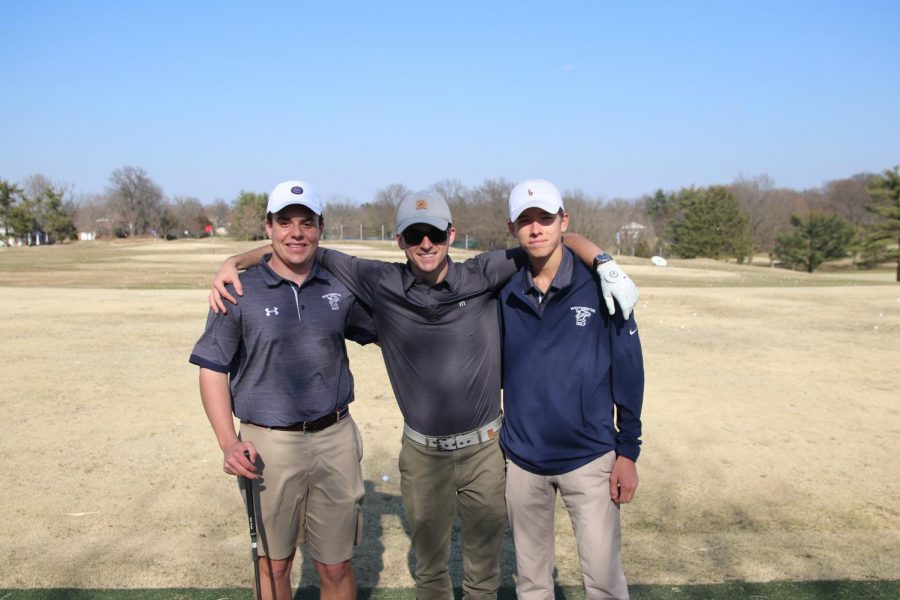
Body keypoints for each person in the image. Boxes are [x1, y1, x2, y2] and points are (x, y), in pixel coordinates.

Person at [209, 190, 639, 600]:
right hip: (422, 454)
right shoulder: (380, 281)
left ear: (452, 234)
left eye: (435, 233)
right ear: (400, 240)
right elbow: (303, 249)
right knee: (430, 570)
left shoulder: (485, 272)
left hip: (486, 451)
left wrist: (603, 261)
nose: (426, 243)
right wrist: (234, 260)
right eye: (415, 235)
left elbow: (550, 237)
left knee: (484, 571)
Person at [189, 180, 376, 600]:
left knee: (337, 564)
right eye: (285, 222)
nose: (296, 233)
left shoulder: (338, 286)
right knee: (274, 565)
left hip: (335, 438)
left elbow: (391, 330)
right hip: (268, 443)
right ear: (268, 227)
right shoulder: (238, 290)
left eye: (306, 223)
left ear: (320, 228)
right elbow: (212, 369)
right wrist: (226, 443)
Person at [499, 179, 644, 600]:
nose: (536, 229)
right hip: (523, 462)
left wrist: (628, 450)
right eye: (525, 221)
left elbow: (629, 370)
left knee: (603, 581)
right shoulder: (503, 285)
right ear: (512, 229)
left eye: (545, 218)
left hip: (591, 458)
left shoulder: (600, 284)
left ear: (564, 220)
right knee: (532, 585)